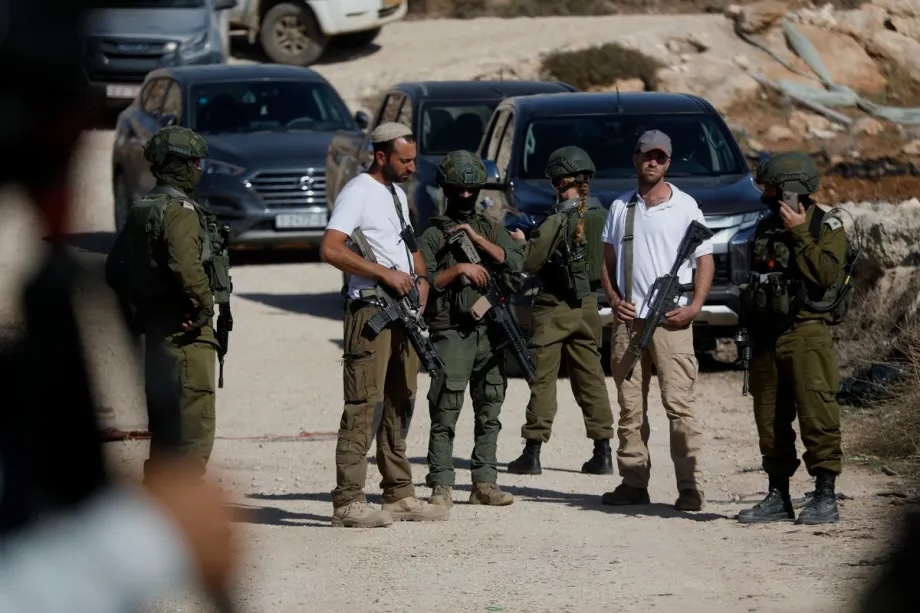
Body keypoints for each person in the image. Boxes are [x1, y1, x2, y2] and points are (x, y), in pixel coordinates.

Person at [320, 122, 448, 528]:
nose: (412, 167)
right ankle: (348, 500)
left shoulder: (396, 194)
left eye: (413, 159)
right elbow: (331, 248)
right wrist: (383, 273)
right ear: (381, 157)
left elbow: (410, 246)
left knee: (400, 399)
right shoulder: (358, 191)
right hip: (371, 311)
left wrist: (421, 279)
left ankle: (398, 493)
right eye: (405, 160)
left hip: (403, 312)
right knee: (363, 403)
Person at [106, 126, 232, 481]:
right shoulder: (181, 211)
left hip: (159, 332)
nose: (199, 169)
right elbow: (185, 266)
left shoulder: (142, 208)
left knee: (164, 429)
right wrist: (204, 306)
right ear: (177, 164)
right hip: (187, 335)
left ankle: (159, 497)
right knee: (193, 426)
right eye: (194, 162)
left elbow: (114, 269)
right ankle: (183, 501)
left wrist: (142, 311)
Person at [601, 129, 714, 511]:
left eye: (660, 157)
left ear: (668, 162)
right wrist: (615, 300)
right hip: (629, 322)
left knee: (679, 406)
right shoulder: (621, 206)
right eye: (646, 155)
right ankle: (633, 483)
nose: (652, 162)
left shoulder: (685, 206)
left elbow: (704, 260)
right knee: (630, 408)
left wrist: (695, 306)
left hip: (671, 321)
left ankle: (691, 489)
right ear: (635, 158)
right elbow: (607, 262)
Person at [736, 152, 848, 525]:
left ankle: (825, 497)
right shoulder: (765, 227)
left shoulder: (826, 226)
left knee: (818, 415)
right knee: (769, 419)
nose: (764, 194)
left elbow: (825, 274)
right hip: (767, 335)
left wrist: (799, 231)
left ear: (789, 189)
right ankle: (777, 496)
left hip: (806, 333)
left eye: (769, 187)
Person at [417, 150, 524, 507]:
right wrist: (459, 270)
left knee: (490, 408)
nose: (465, 195)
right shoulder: (433, 235)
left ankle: (484, 482)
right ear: (446, 189)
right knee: (445, 409)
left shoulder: (490, 229)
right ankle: (441, 484)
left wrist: (477, 241)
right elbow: (424, 282)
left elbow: (515, 261)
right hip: (452, 331)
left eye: (471, 190)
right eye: (458, 189)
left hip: (490, 332)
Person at [506, 146, 615, 476]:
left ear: (559, 182)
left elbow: (529, 262)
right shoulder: (604, 215)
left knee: (542, 380)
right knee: (591, 378)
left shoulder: (558, 219)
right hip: (589, 306)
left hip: (554, 306)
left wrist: (520, 241)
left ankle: (532, 452)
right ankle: (603, 452)